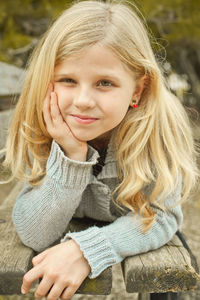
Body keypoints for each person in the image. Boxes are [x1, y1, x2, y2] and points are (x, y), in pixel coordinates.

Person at [2, 0, 199, 299]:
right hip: (61, 213)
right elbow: (34, 233)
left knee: (171, 279)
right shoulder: (43, 124)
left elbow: (162, 217)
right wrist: (70, 157)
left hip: (134, 220)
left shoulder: (158, 129)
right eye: (67, 80)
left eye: (104, 83)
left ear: (137, 89)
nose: (82, 100)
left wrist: (87, 248)